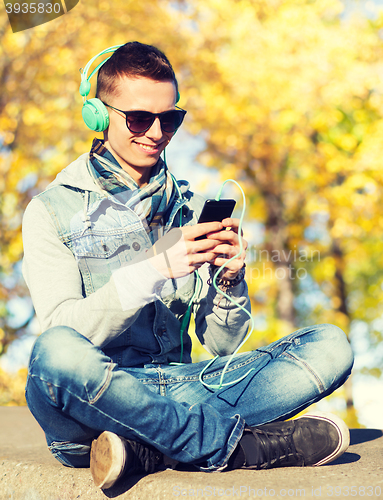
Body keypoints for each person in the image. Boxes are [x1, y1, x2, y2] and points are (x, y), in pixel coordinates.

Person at [22, 41, 354, 490]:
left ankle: (146, 449)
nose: (157, 132)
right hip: (95, 401)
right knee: (53, 354)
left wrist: (230, 282)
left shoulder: (193, 208)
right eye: (139, 118)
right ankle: (238, 449)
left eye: (171, 118)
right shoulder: (51, 210)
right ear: (98, 116)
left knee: (330, 345)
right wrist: (154, 269)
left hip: (185, 387)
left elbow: (221, 345)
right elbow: (65, 332)